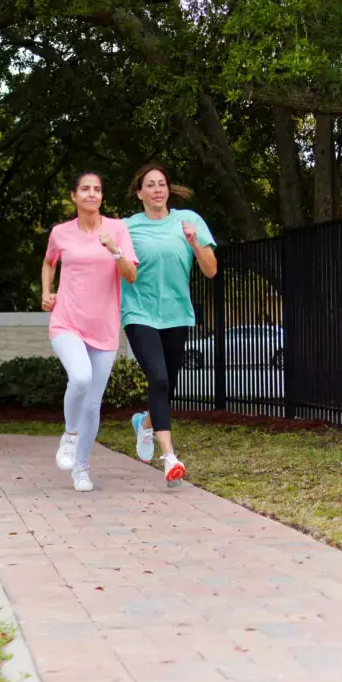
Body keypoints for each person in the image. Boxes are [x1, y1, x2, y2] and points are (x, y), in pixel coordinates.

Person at [121, 164, 218, 486]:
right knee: (158, 377)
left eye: (162, 184)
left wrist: (193, 242)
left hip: (177, 313)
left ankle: (144, 423)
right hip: (139, 313)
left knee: (168, 384)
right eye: (150, 185)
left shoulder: (189, 221)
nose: (158, 189)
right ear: (140, 193)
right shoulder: (127, 227)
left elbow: (211, 270)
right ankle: (170, 457)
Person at [42, 172, 138, 491]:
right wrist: (46, 292)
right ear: (74, 196)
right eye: (85, 189)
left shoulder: (118, 229)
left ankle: (81, 468)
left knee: (93, 404)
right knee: (80, 377)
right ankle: (70, 436)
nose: (92, 194)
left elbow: (131, 276)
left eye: (97, 189)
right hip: (66, 321)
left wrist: (115, 250)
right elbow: (49, 262)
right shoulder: (61, 233)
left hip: (105, 327)